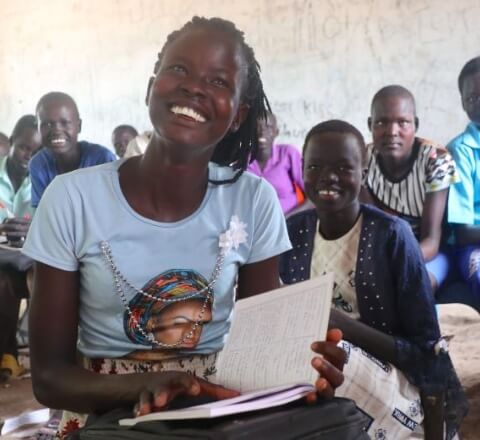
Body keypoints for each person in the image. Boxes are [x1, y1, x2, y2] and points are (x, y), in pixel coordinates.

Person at [22, 17, 345, 438]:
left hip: (218, 407)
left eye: (219, 81)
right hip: (106, 415)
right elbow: (48, 379)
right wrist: (142, 386)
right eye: (179, 69)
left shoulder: (253, 200)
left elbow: (259, 356)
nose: (195, 87)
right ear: (150, 87)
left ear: (238, 115)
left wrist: (303, 375)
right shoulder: (71, 199)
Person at [280, 120, 467, 439]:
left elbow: (426, 351)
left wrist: (340, 325)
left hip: (392, 385)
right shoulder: (292, 234)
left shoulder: (392, 236)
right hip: (321, 379)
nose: (328, 177)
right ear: (303, 170)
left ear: (364, 173)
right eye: (315, 166)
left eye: (343, 167)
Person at [361, 85, 458, 292]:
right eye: (381, 122)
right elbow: (373, 228)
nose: (392, 132)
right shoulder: (362, 160)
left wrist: (396, 264)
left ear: (416, 124)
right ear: (370, 125)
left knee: (415, 288)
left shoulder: (436, 160)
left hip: (429, 253)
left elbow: (431, 240)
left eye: (402, 122)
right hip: (382, 253)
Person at [0, 115, 41, 381]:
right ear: (12, 142)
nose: (29, 155)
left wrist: (32, 229)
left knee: (7, 279)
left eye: (36, 151)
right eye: (25, 147)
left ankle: (8, 353)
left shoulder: (41, 181)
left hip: (24, 256)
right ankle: (8, 354)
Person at [29, 92, 116, 208]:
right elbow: (42, 213)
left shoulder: (102, 159)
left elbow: (112, 208)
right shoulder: (38, 164)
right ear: (38, 128)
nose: (56, 130)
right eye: (48, 124)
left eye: (65, 123)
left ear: (79, 126)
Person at [445, 56, 480, 310]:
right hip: (474, 246)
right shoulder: (460, 151)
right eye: (472, 98)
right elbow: (464, 232)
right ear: (463, 102)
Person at [247, 112, 305, 214]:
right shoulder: (241, 161)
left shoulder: (287, 154)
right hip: (252, 224)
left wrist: (287, 218)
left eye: (268, 127)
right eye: (256, 127)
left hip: (290, 223)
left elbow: (313, 198)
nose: (262, 132)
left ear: (276, 132)